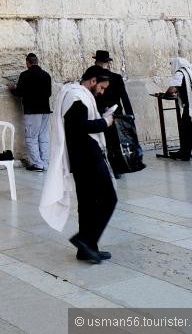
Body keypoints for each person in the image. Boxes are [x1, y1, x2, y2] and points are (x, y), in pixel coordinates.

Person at [39, 65, 117, 264]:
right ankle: (85, 241)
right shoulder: (77, 97)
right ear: (92, 81)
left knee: (88, 203)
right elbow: (80, 128)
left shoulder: (75, 94)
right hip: (88, 157)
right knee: (109, 199)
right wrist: (105, 123)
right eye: (100, 87)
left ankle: (87, 249)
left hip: (80, 158)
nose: (101, 92)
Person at [92, 50, 136, 178]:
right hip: (116, 113)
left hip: (99, 113)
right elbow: (124, 97)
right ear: (108, 63)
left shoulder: (94, 79)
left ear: (97, 62)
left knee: (102, 141)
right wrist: (130, 114)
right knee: (115, 141)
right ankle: (116, 169)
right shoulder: (116, 77)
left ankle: (104, 168)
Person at [7, 53, 52, 171]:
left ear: (28, 63)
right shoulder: (46, 75)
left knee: (31, 137)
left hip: (32, 111)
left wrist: (12, 89)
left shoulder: (25, 75)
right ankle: (45, 163)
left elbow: (20, 93)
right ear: (37, 61)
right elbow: (49, 94)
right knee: (43, 136)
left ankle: (37, 164)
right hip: (45, 110)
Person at [166, 57, 192, 161]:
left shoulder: (181, 72)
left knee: (186, 130)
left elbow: (172, 89)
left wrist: (166, 93)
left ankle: (184, 153)